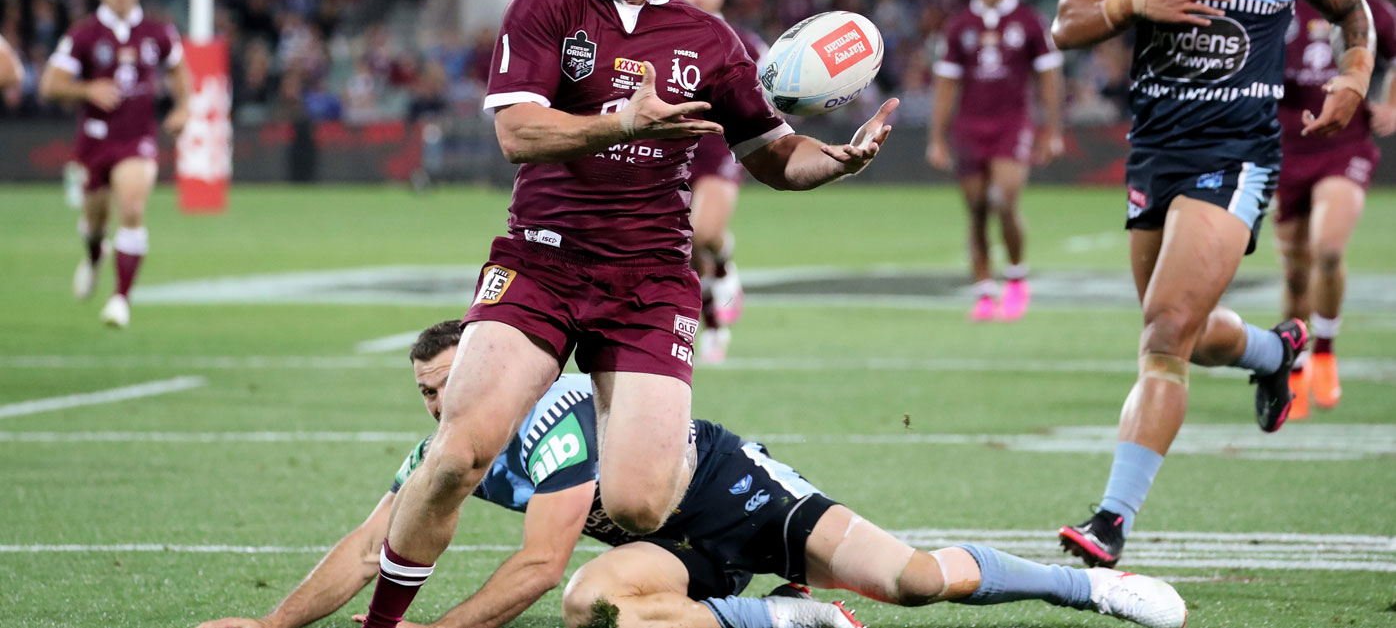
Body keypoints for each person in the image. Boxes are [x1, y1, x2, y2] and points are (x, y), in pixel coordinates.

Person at [356, 0, 901, 627]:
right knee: (459, 453)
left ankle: (761, 561)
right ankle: (383, 623)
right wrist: (621, 120)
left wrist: (836, 162)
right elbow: (517, 132)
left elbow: (772, 155)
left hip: (648, 278)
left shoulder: (713, 42)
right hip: (541, 259)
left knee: (640, 503)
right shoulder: (544, 8)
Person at [195, 321, 1188, 628]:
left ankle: (1090, 583)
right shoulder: (445, 452)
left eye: (450, 384)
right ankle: (787, 620)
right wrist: (276, 626)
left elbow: (536, 561)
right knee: (599, 608)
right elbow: (375, 544)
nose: (436, 407)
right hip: (670, 554)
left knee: (915, 583)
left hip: (741, 495)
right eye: (423, 391)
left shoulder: (551, 422)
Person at [1049, 0, 1375, 568]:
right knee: (1182, 331)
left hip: (1235, 156)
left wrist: (1354, 78)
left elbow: (1354, 15)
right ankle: (1274, 349)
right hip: (1154, 151)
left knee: (1164, 333)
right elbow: (1065, 23)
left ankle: (1110, 519)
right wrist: (1136, 1)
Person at [1274, 0, 1396, 419]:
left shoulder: (1368, 8)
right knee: (1296, 271)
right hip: (1283, 147)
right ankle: (1293, 366)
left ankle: (1324, 351)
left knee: (1328, 249)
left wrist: (1390, 102)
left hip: (1344, 145)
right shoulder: (1273, 6)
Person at [39, 0, 191, 329]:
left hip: (137, 138)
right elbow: (50, 85)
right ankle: (93, 256)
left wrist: (183, 106)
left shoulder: (158, 32)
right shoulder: (83, 34)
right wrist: (88, 89)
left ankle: (121, 298)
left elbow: (179, 70)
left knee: (133, 208)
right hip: (93, 141)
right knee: (94, 220)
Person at [928, 0, 1065, 321]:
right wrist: (937, 138)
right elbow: (945, 85)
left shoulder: (1029, 21)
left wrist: (1051, 128)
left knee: (1005, 199)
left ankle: (1017, 278)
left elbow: (1049, 76)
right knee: (976, 211)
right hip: (970, 128)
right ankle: (985, 291)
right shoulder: (959, 25)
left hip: (1012, 124)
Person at [673, 0, 768, 362]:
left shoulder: (743, 41)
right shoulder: (659, 34)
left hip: (722, 145)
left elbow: (769, 94)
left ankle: (725, 263)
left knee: (703, 234)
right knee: (684, 245)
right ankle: (714, 322)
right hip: (675, 144)